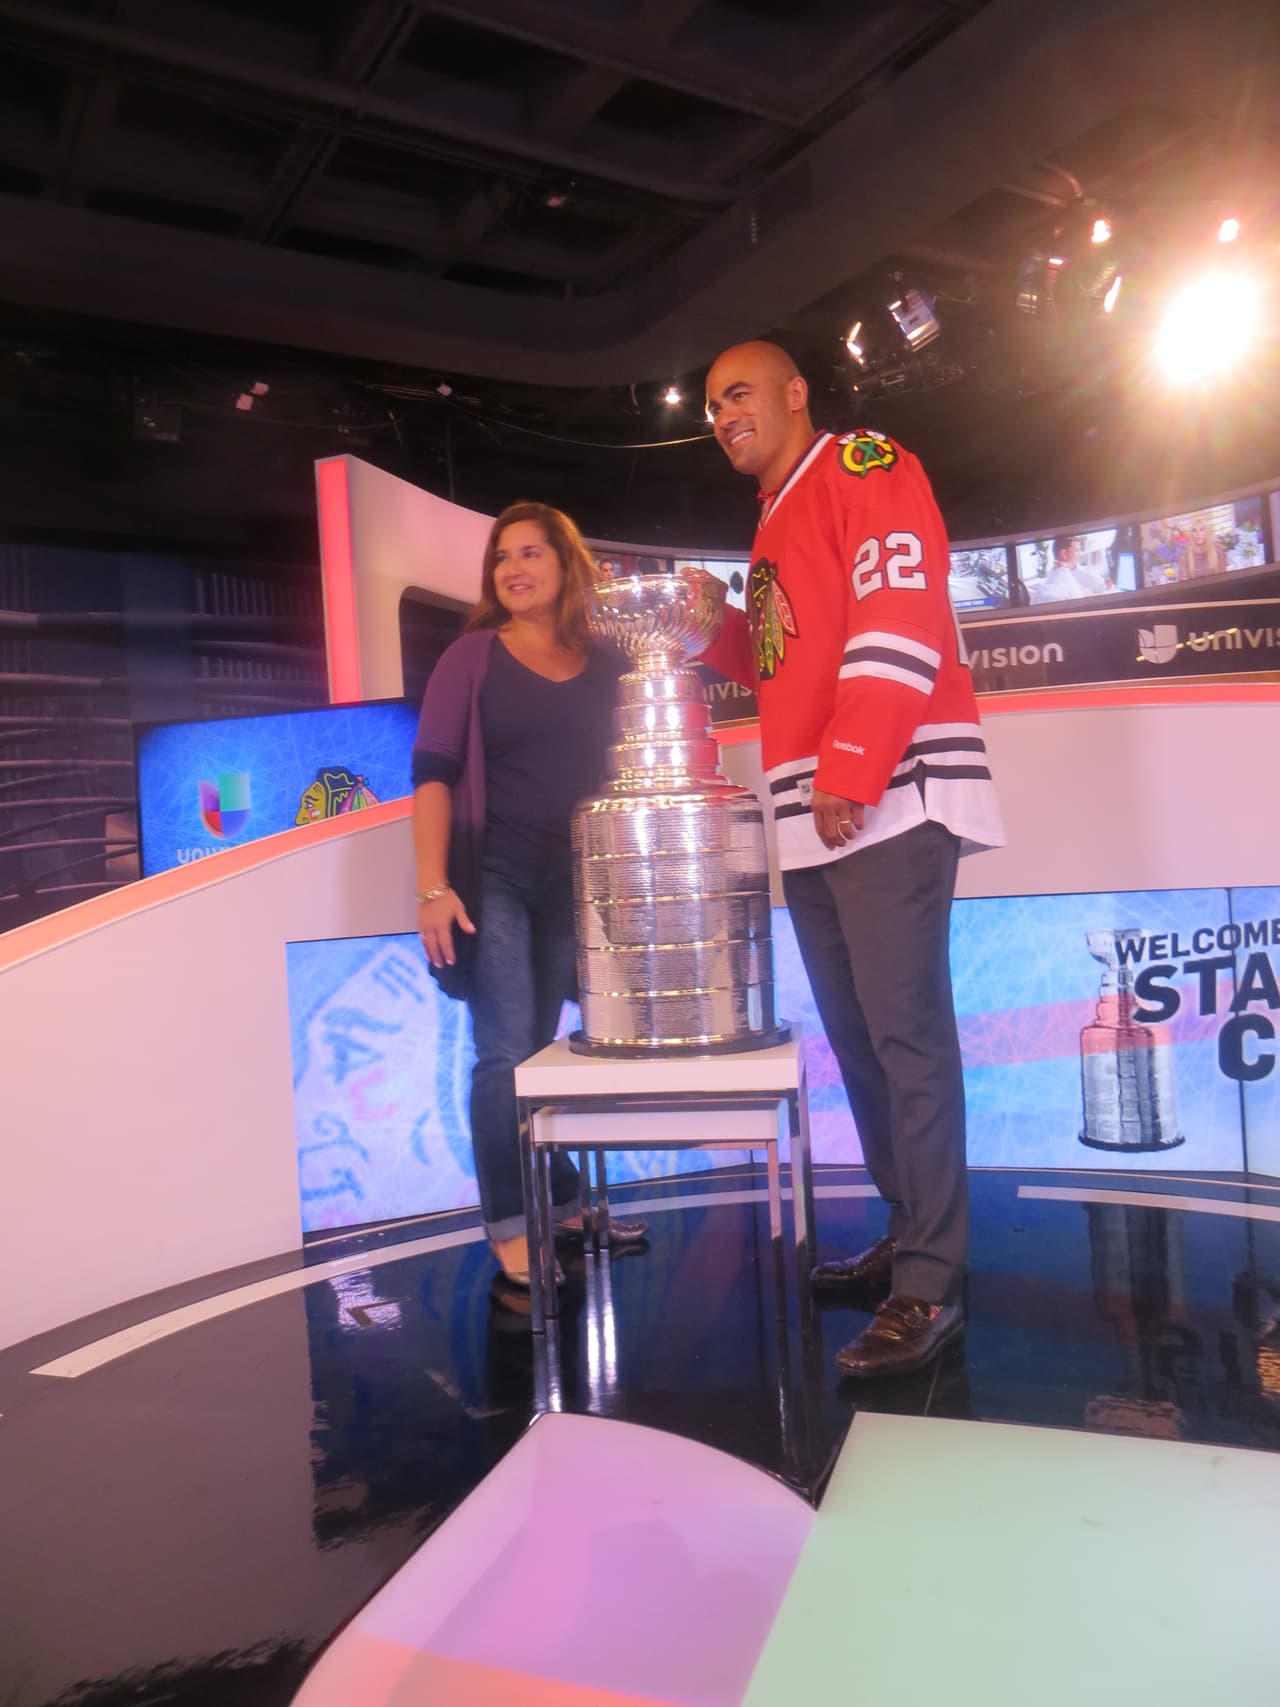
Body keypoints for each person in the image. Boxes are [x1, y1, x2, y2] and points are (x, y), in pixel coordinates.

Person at [701, 341, 1004, 1379]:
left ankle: (927, 1284)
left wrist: (856, 761)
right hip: (815, 814)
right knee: (865, 1044)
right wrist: (713, 630)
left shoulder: (862, 465)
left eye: (736, 391)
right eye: (707, 405)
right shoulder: (772, 517)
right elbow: (780, 657)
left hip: (884, 791)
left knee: (906, 1038)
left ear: (794, 393)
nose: (719, 413)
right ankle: (908, 1233)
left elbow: (901, 614)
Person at [411, 501, 646, 1298]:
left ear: (565, 564)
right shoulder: (471, 657)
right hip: (494, 880)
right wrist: (432, 886)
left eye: (532, 553)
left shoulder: (611, 660)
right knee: (505, 1058)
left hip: (577, 883)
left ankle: (570, 1203)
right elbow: (432, 776)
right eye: (502, 557)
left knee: (544, 1060)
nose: (514, 568)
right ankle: (513, 1230)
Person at [1177, 514, 1226, 581]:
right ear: (1191, 534)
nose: (1198, 534)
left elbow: (1224, 577)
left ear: (1207, 532)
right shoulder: (1186, 553)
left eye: (1202, 529)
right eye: (1195, 530)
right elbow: (1183, 580)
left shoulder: (1217, 548)